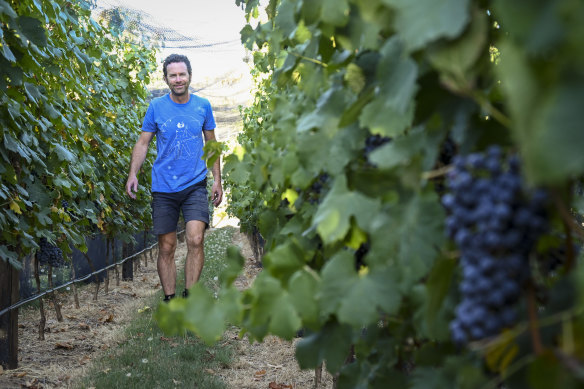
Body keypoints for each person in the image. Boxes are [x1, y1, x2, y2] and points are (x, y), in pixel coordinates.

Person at [125, 53, 222, 302]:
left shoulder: (203, 106)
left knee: (195, 238)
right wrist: (133, 174)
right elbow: (143, 142)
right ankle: (170, 301)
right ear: (166, 78)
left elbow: (211, 144)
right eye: (173, 75)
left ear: (189, 76)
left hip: (195, 184)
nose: (178, 79)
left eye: (182, 74)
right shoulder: (156, 107)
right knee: (167, 246)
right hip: (164, 186)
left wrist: (218, 180)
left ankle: (190, 298)